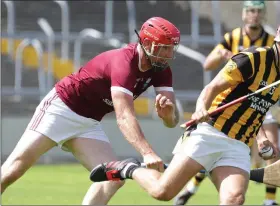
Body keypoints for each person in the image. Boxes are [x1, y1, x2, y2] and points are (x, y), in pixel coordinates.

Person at [89, 16, 280, 205]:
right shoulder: (250, 60)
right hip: (210, 132)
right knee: (162, 192)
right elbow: (211, 88)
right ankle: (128, 168)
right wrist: (200, 110)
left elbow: (257, 108)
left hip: (238, 145)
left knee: (234, 198)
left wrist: (262, 139)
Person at [1, 17, 181, 205]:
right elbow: (124, 117)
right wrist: (148, 152)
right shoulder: (125, 63)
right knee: (12, 170)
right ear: (146, 43)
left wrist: (169, 116)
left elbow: (172, 121)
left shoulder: (162, 70)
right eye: (165, 48)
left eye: (171, 48)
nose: (169, 54)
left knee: (113, 178)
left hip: (88, 123)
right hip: (60, 109)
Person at [174, 1, 280, 205]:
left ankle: (270, 200)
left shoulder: (271, 41)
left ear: (264, 15)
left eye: (259, 11)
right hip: (231, 98)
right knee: (217, 142)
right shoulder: (231, 37)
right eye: (251, 11)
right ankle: (192, 186)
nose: (255, 15)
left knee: (272, 146)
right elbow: (208, 64)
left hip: (260, 100)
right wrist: (223, 55)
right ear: (244, 14)